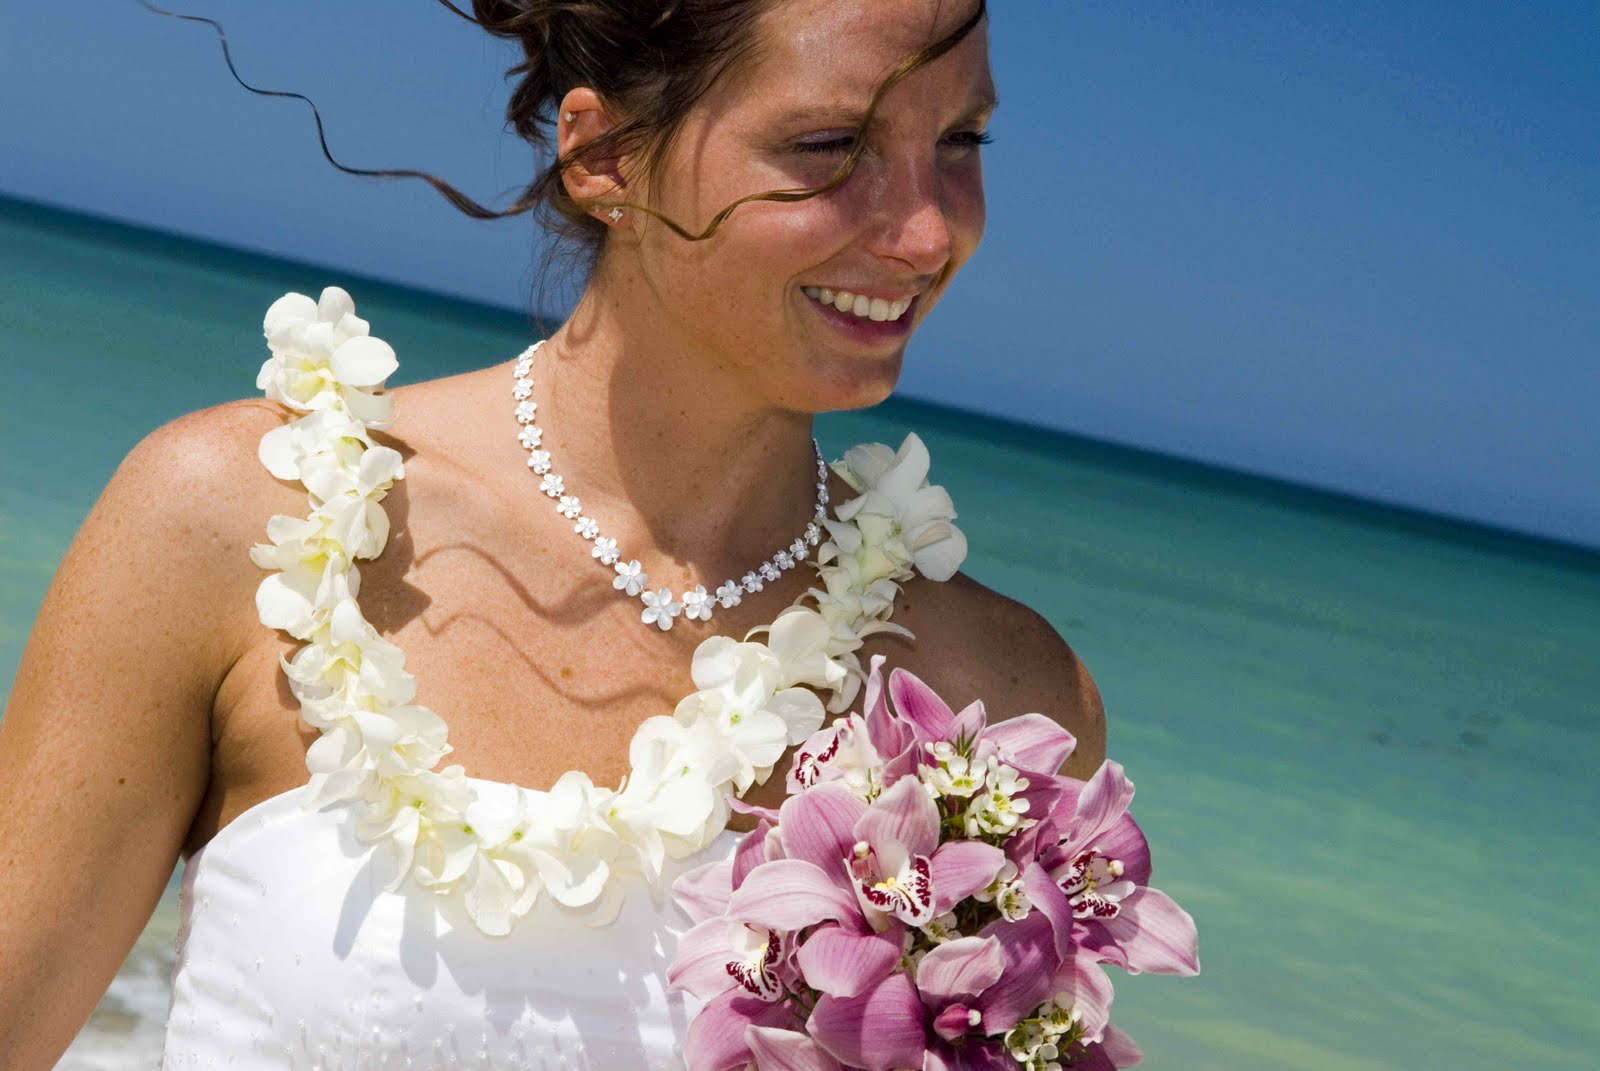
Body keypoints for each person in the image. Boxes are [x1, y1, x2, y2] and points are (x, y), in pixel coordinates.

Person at [0, 1, 1105, 1066]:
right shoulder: (248, 517)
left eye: (961, 140)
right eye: (830, 144)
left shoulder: (996, 707)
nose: (925, 231)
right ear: (607, 156)